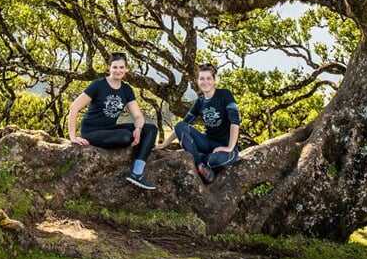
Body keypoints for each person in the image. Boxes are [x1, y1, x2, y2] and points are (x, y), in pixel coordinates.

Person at [68, 52, 159, 190]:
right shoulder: (98, 85)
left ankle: (137, 173)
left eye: (121, 67)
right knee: (125, 136)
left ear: (126, 69)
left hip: (110, 129)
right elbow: (74, 107)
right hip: (92, 131)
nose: (118, 71)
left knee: (151, 129)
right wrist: (72, 137)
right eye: (115, 67)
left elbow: (138, 117)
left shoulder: (126, 89)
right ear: (109, 68)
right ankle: (130, 150)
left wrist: (138, 129)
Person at [156, 63, 240, 184]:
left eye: (208, 78)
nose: (205, 82)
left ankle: (200, 157)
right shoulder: (200, 102)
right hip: (207, 143)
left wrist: (230, 147)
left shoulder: (225, 95)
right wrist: (164, 144)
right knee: (180, 125)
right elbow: (183, 126)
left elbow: (235, 121)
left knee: (215, 162)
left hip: (225, 146)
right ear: (197, 81)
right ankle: (200, 165)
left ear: (214, 80)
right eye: (202, 78)